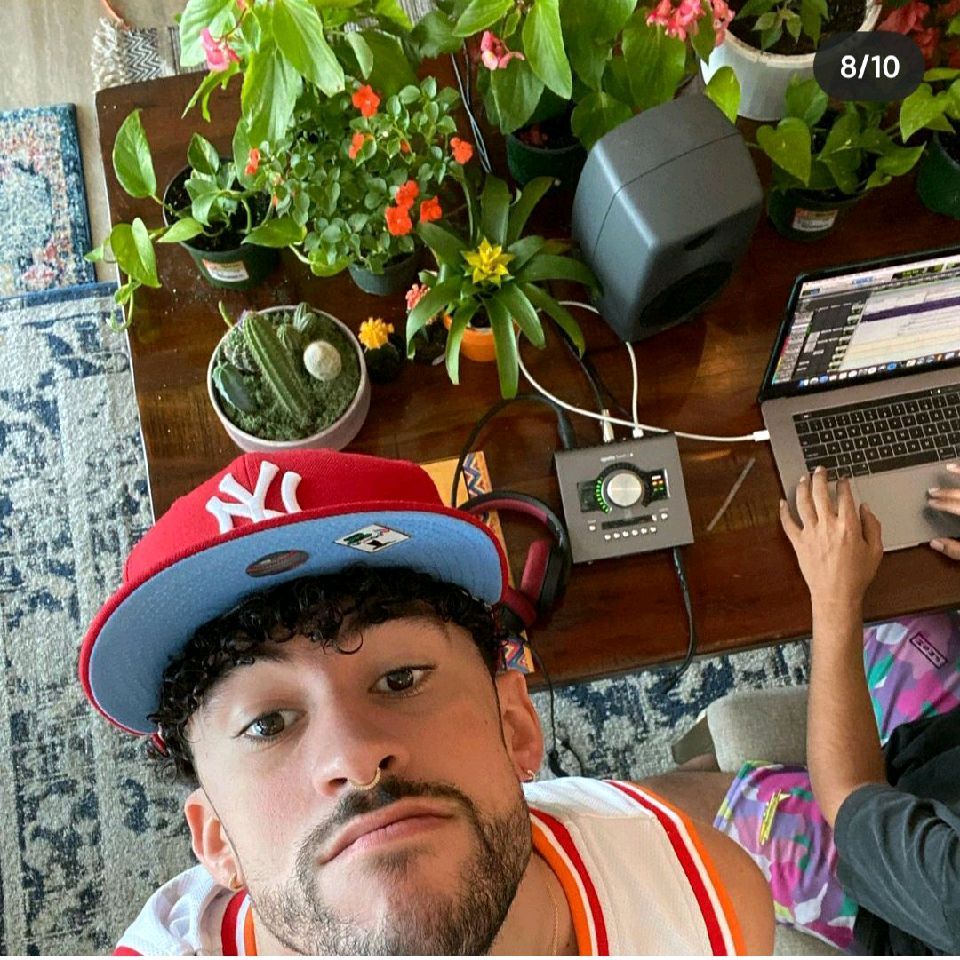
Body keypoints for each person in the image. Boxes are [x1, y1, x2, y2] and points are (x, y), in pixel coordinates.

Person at [81, 449, 774, 956]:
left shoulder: (710, 906)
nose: (355, 756)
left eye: (400, 678)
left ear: (515, 724)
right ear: (215, 840)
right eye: (267, 723)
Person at [642, 464, 960, 954]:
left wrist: (835, 598)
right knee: (904, 577)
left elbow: (849, 796)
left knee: (658, 812)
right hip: (943, 754)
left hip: (885, 890)